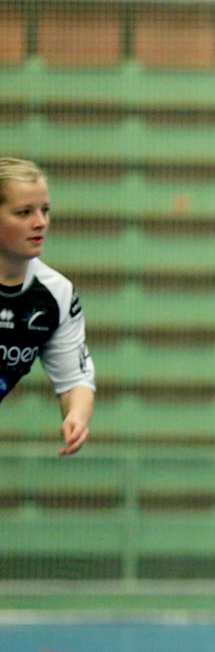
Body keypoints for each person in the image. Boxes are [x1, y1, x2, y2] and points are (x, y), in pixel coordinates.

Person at [0, 158, 95, 455]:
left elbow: (75, 380)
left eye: (44, 210)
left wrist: (75, 417)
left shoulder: (56, 294)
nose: (40, 222)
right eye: (24, 212)